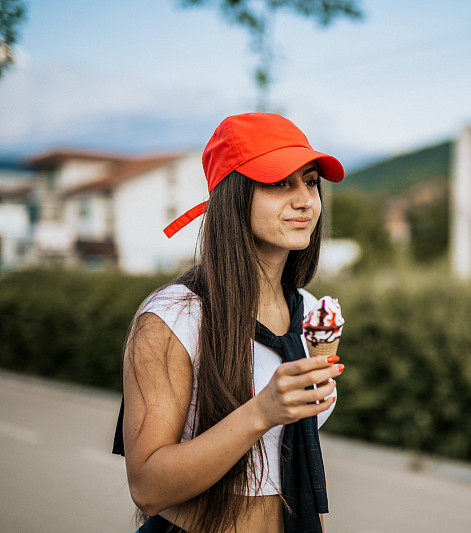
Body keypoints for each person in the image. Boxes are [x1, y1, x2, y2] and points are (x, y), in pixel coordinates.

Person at [111, 113, 346, 533]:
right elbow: (147, 488)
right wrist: (262, 411)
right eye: (278, 183)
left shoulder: (310, 313)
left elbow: (298, 463)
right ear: (233, 196)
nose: (305, 200)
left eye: (310, 181)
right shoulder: (174, 317)